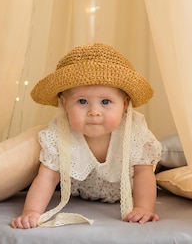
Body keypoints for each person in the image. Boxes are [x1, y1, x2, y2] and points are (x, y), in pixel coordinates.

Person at [10, 42, 162, 229]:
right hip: (80, 191)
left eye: (106, 101)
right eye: (82, 101)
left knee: (156, 169)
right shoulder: (60, 132)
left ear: (125, 104)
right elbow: (47, 177)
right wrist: (31, 212)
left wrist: (143, 207)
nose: (94, 112)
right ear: (64, 104)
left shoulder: (134, 130)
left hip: (127, 191)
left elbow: (143, 173)